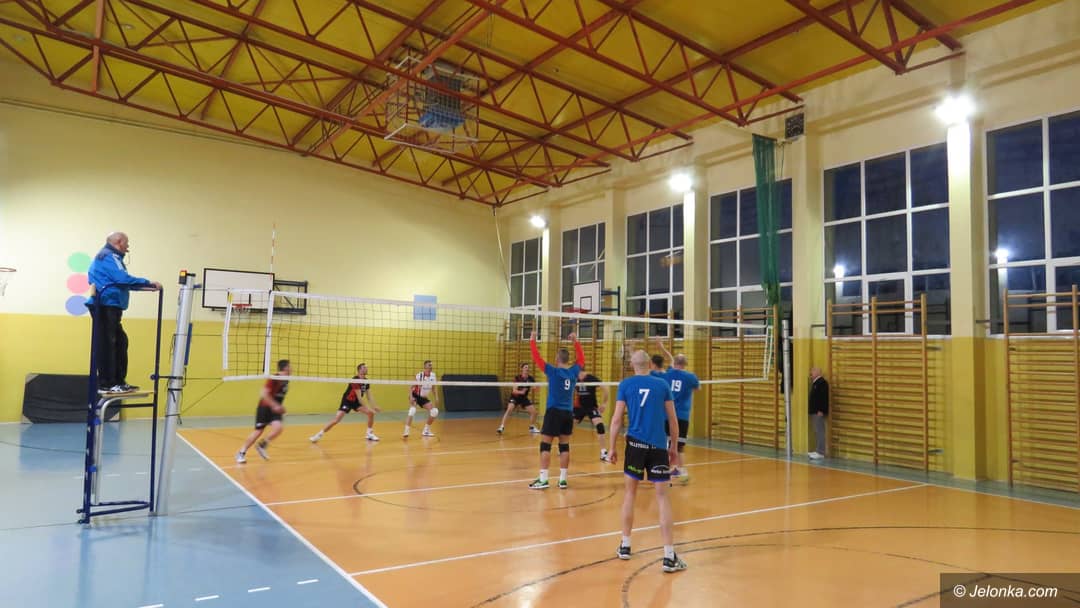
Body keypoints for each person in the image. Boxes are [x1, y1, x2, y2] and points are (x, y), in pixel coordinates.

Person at [607, 350, 686, 573]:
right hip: (658, 447)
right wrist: (673, 448)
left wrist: (612, 447)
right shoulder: (662, 385)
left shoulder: (625, 384)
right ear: (650, 364)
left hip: (635, 446)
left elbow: (616, 419)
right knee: (662, 498)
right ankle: (669, 556)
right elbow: (673, 420)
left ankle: (625, 545)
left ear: (632, 365)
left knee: (630, 494)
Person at [85, 231, 161, 394]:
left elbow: (121, 282)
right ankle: (107, 383)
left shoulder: (112, 257)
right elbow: (122, 279)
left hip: (111, 305)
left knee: (120, 341)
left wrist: (146, 287)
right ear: (119, 242)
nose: (128, 247)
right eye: (126, 243)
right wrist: (147, 282)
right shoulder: (108, 256)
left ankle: (118, 381)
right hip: (104, 305)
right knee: (108, 344)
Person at [528, 331, 584, 490]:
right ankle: (563, 480)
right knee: (564, 446)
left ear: (557, 359)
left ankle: (543, 479)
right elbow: (581, 359)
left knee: (545, 445)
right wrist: (576, 341)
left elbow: (536, 357)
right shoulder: (573, 372)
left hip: (554, 412)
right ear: (567, 360)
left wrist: (532, 340)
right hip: (568, 414)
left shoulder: (553, 371)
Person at [654, 338, 701, 481]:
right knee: (679, 446)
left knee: (665, 443)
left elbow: (668, 362)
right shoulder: (691, 377)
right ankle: (681, 471)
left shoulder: (667, 374)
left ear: (674, 363)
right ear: (685, 364)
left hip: (667, 415)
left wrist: (661, 347)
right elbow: (697, 388)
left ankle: (665, 469)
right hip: (682, 416)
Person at [310, 363, 381, 443]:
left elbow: (369, 396)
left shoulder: (366, 381)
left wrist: (374, 406)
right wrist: (369, 407)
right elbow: (360, 398)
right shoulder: (355, 380)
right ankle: (318, 435)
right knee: (336, 420)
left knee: (370, 413)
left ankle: (369, 434)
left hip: (356, 402)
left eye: (366, 368)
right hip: (348, 401)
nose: (366, 369)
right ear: (359, 370)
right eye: (364, 368)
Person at [236, 359, 291, 463]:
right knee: (258, 431)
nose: (292, 369)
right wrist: (275, 405)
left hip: (275, 409)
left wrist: (280, 407)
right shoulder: (274, 378)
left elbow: (278, 396)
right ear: (285, 368)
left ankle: (261, 446)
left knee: (278, 428)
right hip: (265, 407)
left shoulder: (287, 380)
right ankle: (241, 453)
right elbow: (264, 394)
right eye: (290, 366)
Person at [573, 368, 609, 461]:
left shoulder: (591, 378)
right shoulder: (575, 378)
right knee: (568, 426)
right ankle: (562, 447)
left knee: (600, 426)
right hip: (579, 407)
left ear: (583, 372)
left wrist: (604, 403)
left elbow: (605, 388)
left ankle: (603, 452)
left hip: (591, 407)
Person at [497, 363, 538, 435]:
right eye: (525, 367)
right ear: (522, 369)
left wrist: (535, 387)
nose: (527, 369)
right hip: (515, 397)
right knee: (509, 409)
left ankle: (532, 428)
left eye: (528, 367)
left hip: (523, 398)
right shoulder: (517, 378)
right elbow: (514, 391)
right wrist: (522, 392)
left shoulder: (531, 379)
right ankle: (501, 427)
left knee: (534, 412)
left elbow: (535, 388)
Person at [404, 360, 438, 438]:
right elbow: (411, 387)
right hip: (415, 395)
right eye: (429, 365)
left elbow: (433, 387)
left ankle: (426, 431)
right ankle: (406, 431)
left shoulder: (433, 376)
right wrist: (411, 397)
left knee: (434, 411)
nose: (431, 367)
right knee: (412, 410)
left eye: (431, 365)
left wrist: (436, 397)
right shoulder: (419, 376)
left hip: (423, 398)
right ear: (425, 367)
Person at [808, 367, 830, 460]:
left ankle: (821, 452)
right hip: (814, 411)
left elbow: (824, 398)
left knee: (820, 431)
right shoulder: (815, 383)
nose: (811, 373)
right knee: (817, 431)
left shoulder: (822, 383)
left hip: (818, 412)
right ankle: (818, 450)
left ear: (818, 372)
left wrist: (821, 410)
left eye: (813, 371)